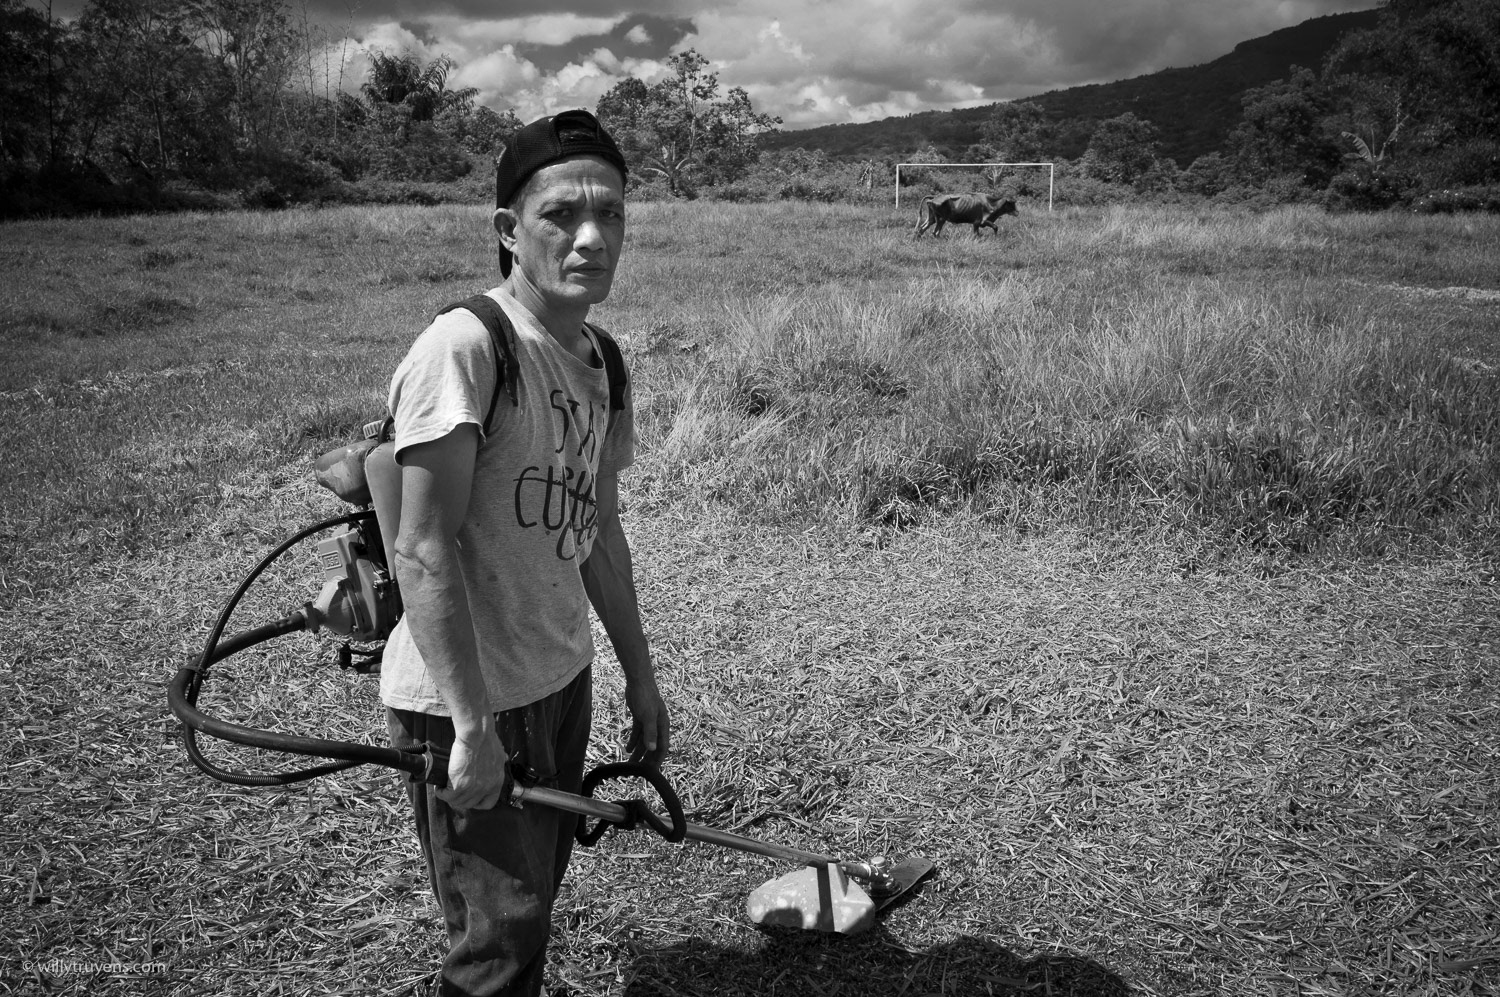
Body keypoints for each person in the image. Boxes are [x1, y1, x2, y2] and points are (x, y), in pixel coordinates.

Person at [379, 108, 669, 997]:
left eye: (611, 213)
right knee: (496, 939)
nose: (592, 236)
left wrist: (640, 677)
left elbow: (597, 532)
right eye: (562, 214)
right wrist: (469, 729)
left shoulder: (602, 358)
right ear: (508, 231)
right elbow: (421, 547)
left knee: (529, 904)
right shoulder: (466, 347)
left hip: (557, 676)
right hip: (471, 697)